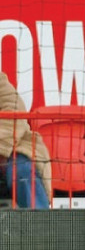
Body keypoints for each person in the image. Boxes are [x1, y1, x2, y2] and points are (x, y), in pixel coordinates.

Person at [0, 72, 51, 209]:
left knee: (22, 170)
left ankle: (40, 227)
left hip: (13, 150)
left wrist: (1, 149)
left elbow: (15, 112)